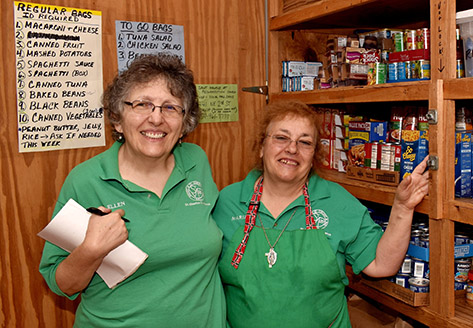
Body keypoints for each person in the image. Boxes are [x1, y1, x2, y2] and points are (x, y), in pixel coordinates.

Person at [39, 53, 226, 327]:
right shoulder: (88, 180)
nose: (156, 118)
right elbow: (62, 284)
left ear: (185, 123)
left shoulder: (196, 162)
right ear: (117, 119)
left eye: (171, 107)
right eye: (142, 104)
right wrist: (91, 249)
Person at [213, 100, 429, 327]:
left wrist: (403, 209)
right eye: (281, 138)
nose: (292, 149)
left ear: (314, 155)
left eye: (305, 142)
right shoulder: (227, 203)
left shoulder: (336, 201)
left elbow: (381, 264)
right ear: (261, 146)